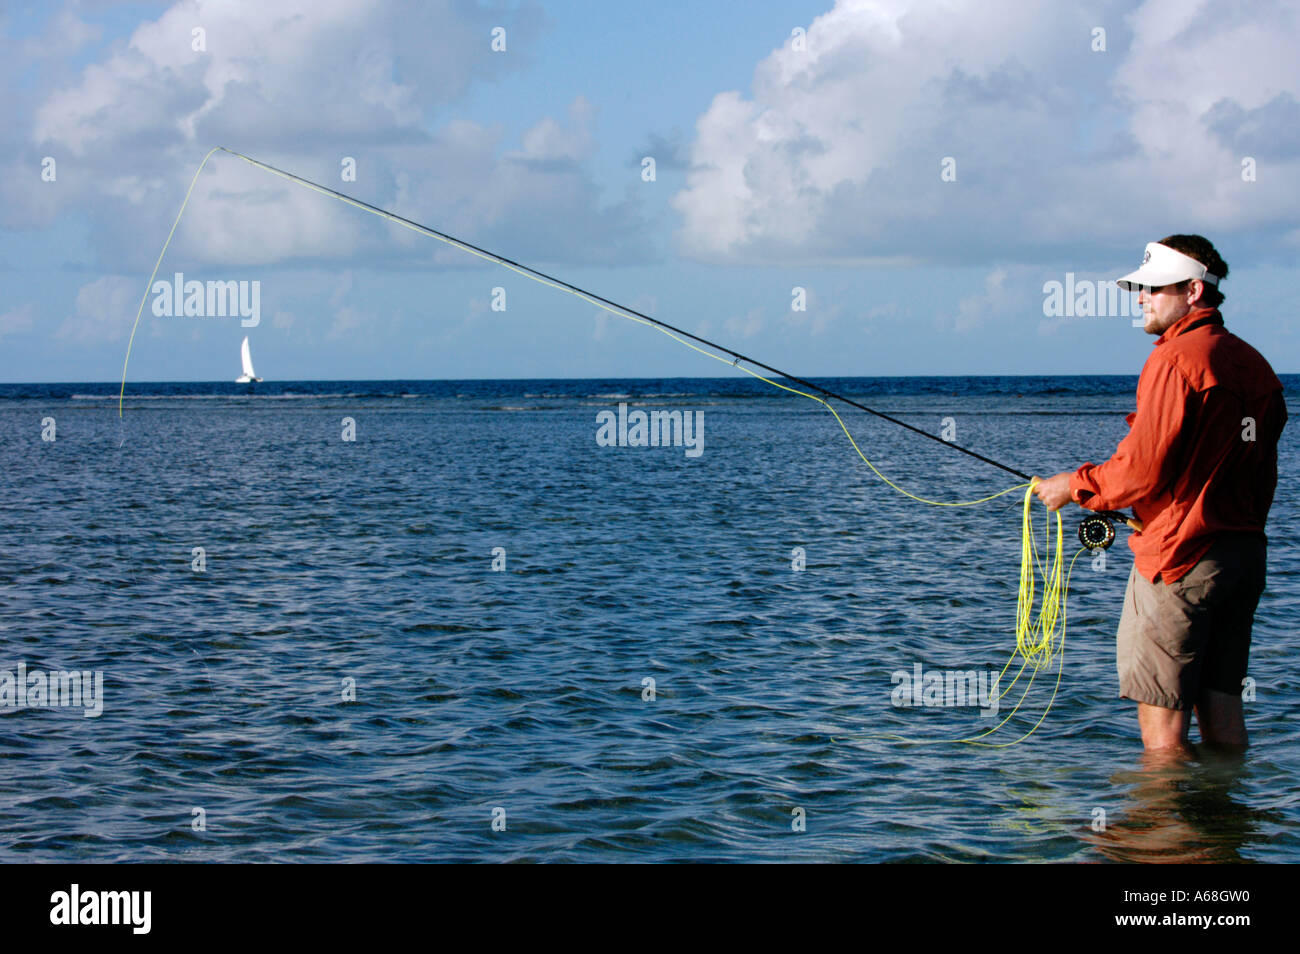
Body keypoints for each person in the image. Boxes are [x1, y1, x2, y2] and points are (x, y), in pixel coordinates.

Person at [1032, 235, 1286, 752]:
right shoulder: (1256, 365)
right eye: (1139, 288)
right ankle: (1226, 827)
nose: (1141, 297)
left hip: (1179, 560)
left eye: (1152, 287)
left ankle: (1161, 831)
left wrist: (1072, 486)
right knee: (1224, 714)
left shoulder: (1174, 361)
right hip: (1242, 557)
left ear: (1193, 290)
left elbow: (1141, 472)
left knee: (1163, 732)